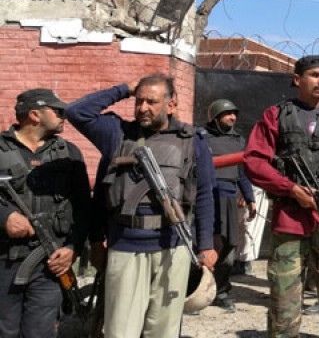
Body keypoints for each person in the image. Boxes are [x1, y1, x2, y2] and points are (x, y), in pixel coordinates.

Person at [65, 74, 218, 338]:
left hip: (174, 246)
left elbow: (204, 194)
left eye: (152, 101)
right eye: (139, 101)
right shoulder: (118, 134)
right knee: (120, 330)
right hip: (125, 245)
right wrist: (125, 88)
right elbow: (77, 112)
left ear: (171, 104)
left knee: (163, 330)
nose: (143, 107)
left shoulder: (193, 141)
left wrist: (206, 245)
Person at [244, 55, 319, 338]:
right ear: (297, 79)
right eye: (314, 75)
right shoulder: (275, 116)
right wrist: (291, 189)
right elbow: (254, 161)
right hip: (290, 224)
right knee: (284, 305)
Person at [0, 88, 91, 337]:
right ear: (34, 115)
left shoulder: (68, 153)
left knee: (40, 332)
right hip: (4, 259)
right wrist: (4, 216)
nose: (64, 116)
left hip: (51, 262)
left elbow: (84, 206)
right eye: (57, 111)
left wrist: (73, 247)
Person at [203, 98, 256, 312]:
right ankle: (197, 291)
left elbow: (243, 172)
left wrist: (250, 197)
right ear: (216, 116)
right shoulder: (201, 138)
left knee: (228, 248)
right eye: (228, 114)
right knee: (203, 245)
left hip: (229, 198)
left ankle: (221, 291)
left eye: (234, 114)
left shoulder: (238, 141)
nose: (233, 118)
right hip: (205, 198)